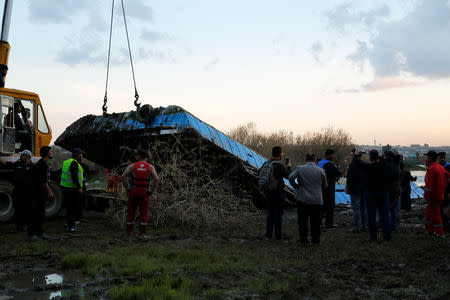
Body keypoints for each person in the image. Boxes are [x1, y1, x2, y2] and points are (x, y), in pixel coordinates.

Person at [289, 153, 327, 244]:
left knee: (303, 222)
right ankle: (315, 240)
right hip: (317, 200)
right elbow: (325, 185)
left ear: (305, 160)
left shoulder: (300, 168)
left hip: (303, 199)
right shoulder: (321, 170)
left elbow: (290, 177)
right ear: (315, 160)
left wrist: (296, 186)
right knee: (316, 222)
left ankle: (304, 240)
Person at [121, 149, 159, 238]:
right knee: (144, 213)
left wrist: (127, 187)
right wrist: (152, 190)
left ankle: (129, 233)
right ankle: (142, 234)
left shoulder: (132, 166)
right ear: (145, 157)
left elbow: (123, 176)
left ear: (139, 156)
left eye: (136, 155)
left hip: (133, 192)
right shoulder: (150, 167)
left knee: (131, 213)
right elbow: (156, 179)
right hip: (144, 193)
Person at [356, 149, 391, 241]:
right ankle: (387, 236)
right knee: (385, 215)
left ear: (370, 157)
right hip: (383, 192)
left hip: (371, 192)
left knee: (371, 215)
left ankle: (373, 236)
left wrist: (356, 155)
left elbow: (358, 162)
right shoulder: (385, 165)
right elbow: (383, 160)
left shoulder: (368, 167)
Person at [260, 146, 292, 240]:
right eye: (282, 153)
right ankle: (278, 235)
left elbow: (260, 173)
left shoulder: (266, 163)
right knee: (278, 215)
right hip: (278, 193)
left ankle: (268, 235)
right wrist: (289, 167)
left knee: (270, 214)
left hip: (268, 192)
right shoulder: (280, 165)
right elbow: (289, 176)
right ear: (280, 154)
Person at [0, 150, 33, 231]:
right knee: (18, 209)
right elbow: (7, 163)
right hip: (18, 191)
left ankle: (29, 227)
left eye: (22, 155)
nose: (20, 156)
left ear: (28, 157)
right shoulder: (18, 164)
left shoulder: (32, 167)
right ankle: (19, 227)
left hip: (27, 192)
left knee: (28, 209)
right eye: (21, 155)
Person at [317, 149, 347, 228]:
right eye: (333, 155)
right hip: (328, 188)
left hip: (320, 187)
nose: (334, 156)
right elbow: (339, 173)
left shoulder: (320, 162)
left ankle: (318, 222)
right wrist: (344, 166)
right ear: (329, 155)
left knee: (321, 206)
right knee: (330, 206)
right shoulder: (328, 164)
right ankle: (329, 223)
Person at [29, 146, 54, 241]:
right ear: (47, 153)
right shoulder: (42, 164)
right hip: (38, 192)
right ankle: (31, 234)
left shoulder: (43, 163)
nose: (51, 153)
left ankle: (40, 232)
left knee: (40, 212)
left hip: (40, 191)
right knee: (37, 213)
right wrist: (49, 190)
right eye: (50, 151)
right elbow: (43, 180)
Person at [60, 148, 85, 233]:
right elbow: (74, 176)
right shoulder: (74, 163)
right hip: (72, 189)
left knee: (70, 209)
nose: (82, 156)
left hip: (66, 188)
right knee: (72, 209)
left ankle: (70, 225)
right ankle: (71, 227)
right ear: (78, 154)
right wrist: (79, 187)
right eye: (81, 154)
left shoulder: (67, 161)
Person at [423, 151, 447, 237]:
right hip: (439, 195)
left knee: (436, 214)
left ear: (429, 158)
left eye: (426, 158)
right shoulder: (440, 167)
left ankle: (440, 233)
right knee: (429, 213)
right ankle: (430, 230)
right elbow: (447, 177)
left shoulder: (432, 169)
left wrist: (426, 197)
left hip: (434, 196)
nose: (425, 159)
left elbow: (429, 186)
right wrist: (443, 188)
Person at [345, 149, 367, 232]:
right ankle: (364, 225)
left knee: (356, 208)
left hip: (354, 189)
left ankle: (356, 227)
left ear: (353, 155)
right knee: (363, 208)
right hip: (364, 189)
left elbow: (349, 177)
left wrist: (347, 187)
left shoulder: (352, 165)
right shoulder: (365, 164)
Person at [385, 151, 402, 230]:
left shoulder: (388, 164)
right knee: (394, 208)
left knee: (388, 207)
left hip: (389, 188)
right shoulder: (397, 163)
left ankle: (389, 223)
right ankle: (394, 224)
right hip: (396, 188)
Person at [438, 152, 450, 232]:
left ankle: (446, 226)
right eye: (440, 158)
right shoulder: (438, 167)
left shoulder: (449, 167)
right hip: (440, 191)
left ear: (445, 158)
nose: (442, 159)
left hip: (447, 192)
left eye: (443, 158)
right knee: (440, 208)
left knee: (446, 208)